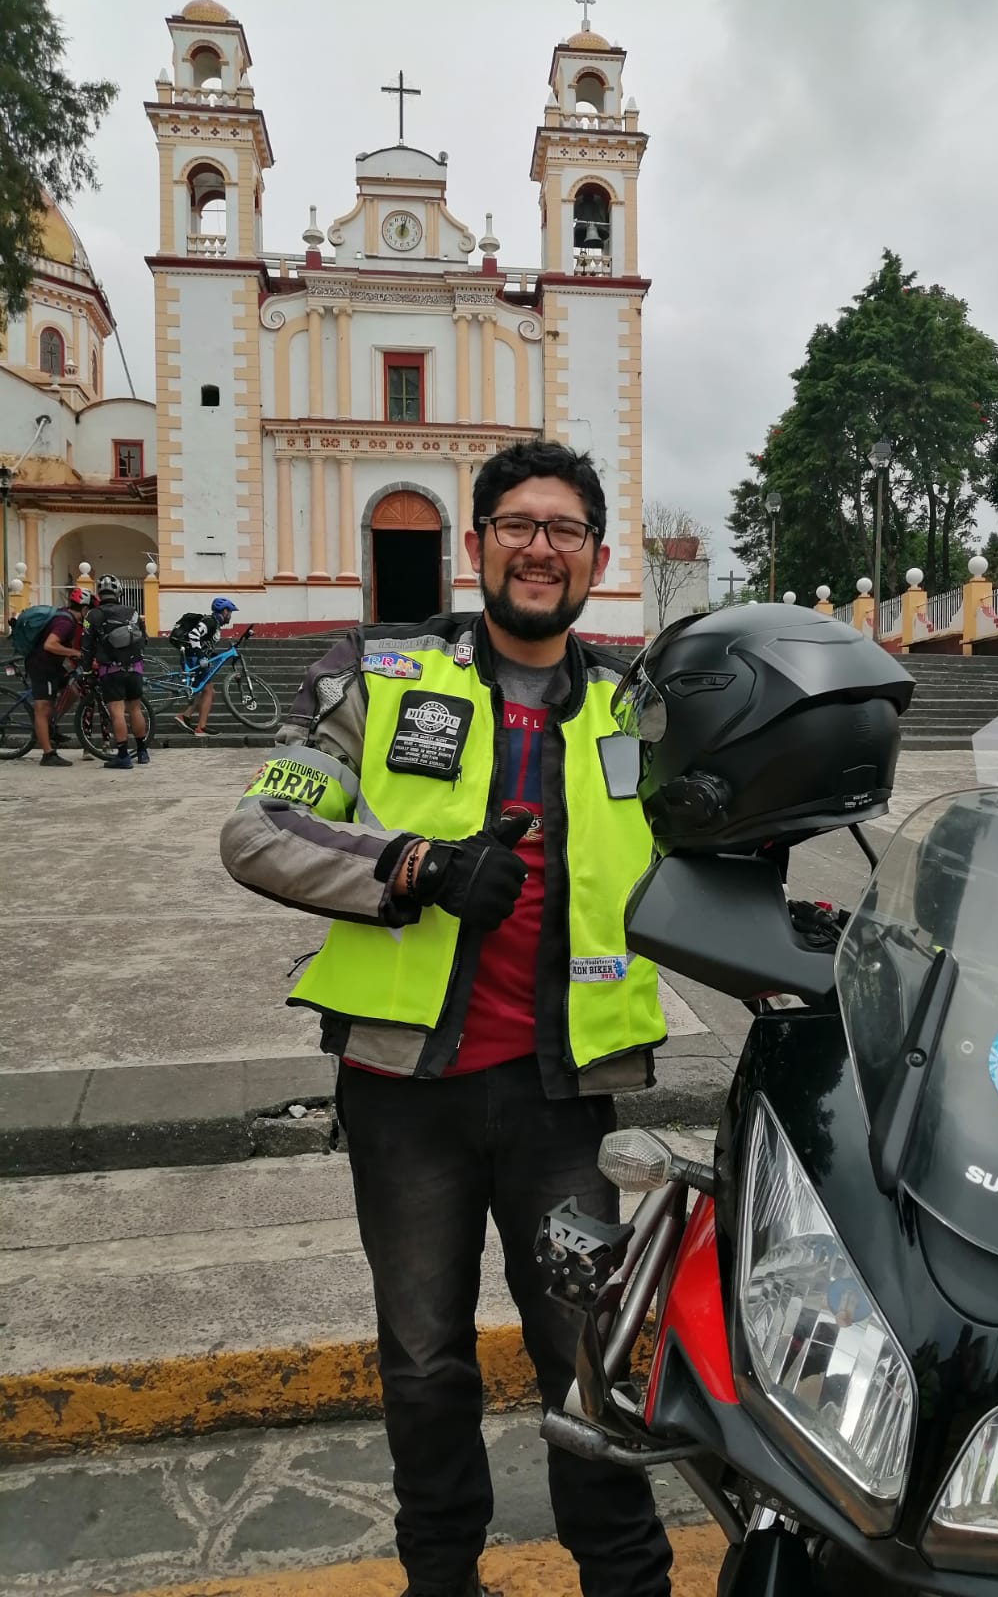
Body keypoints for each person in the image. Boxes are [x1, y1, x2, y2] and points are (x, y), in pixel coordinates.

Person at [220, 441, 672, 1597]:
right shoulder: (375, 676)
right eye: (517, 524)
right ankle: (441, 1579)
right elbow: (259, 829)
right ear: (475, 547)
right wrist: (413, 864)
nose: (539, 547)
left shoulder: (639, 706)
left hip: (564, 1101)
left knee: (590, 1359)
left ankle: (627, 1581)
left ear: (597, 557)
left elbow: (710, 846)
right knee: (424, 1362)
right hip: (405, 1098)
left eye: (564, 529)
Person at [81, 573, 150, 769]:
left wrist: (87, 671)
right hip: (135, 668)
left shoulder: (92, 615)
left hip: (110, 670)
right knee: (135, 709)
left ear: (99, 594)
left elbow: (86, 645)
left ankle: (123, 756)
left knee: (117, 711)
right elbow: (144, 639)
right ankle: (142, 751)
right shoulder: (133, 612)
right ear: (119, 592)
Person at [25, 587, 89, 767]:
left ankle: (51, 724)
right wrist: (74, 653)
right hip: (42, 666)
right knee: (42, 708)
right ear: (84, 609)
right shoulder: (66, 623)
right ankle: (48, 754)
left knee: (73, 691)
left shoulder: (64, 616)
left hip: (53, 666)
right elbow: (50, 645)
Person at [173, 597, 237, 736]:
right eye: (230, 612)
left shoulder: (214, 623)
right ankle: (201, 727)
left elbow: (204, 643)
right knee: (208, 690)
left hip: (195, 657)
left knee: (207, 690)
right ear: (224, 611)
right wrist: (201, 656)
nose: (231, 615)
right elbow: (194, 635)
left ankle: (185, 716)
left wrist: (210, 655)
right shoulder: (210, 621)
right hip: (194, 657)